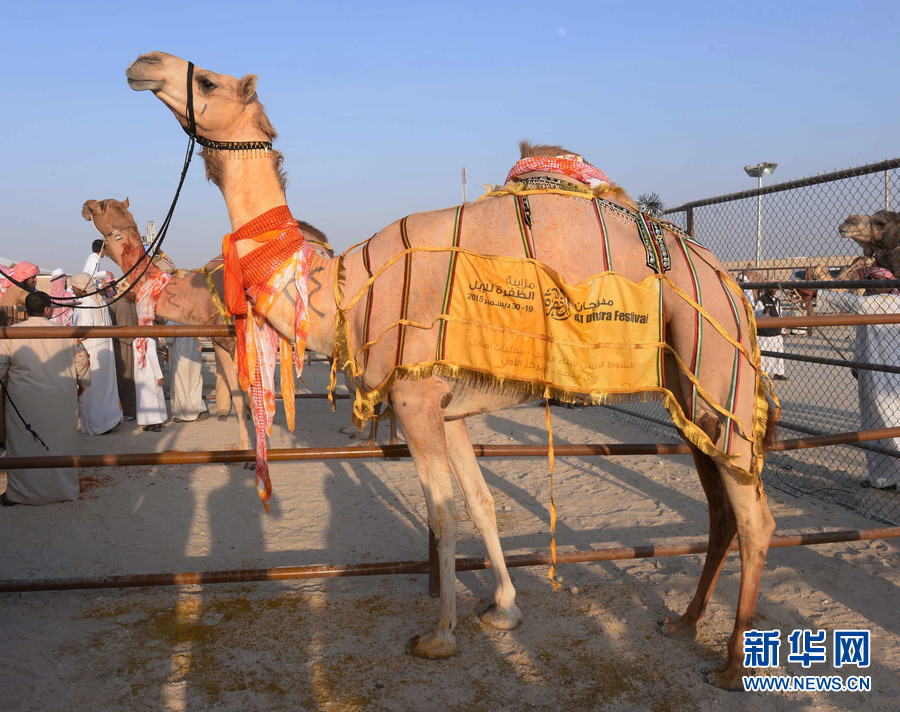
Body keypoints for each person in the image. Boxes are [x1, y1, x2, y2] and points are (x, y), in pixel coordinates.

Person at [0, 291, 91, 506]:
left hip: (23, 402)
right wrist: (83, 385)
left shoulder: (9, 334)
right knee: (59, 443)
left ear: (27, 310)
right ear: (48, 309)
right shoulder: (67, 332)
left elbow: (1, 367)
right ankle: (62, 491)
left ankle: (19, 494)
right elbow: (82, 360)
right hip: (61, 400)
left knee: (23, 445)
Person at [818, 266, 900, 490]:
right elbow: (863, 338)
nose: (867, 285)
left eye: (870, 280)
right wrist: (856, 363)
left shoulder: (884, 302)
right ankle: (882, 478)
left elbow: (854, 303)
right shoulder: (875, 304)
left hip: (885, 375)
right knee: (873, 423)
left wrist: (817, 293)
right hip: (870, 371)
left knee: (889, 420)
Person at [70, 272, 122, 435]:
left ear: (81, 288)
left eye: (74, 286)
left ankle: (96, 425)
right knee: (106, 387)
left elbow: (84, 329)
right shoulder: (100, 301)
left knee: (91, 389)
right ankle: (109, 420)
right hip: (105, 350)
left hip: (91, 351)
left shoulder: (85, 303)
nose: (71, 288)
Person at [106, 281, 138, 421]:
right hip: (122, 346)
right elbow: (111, 328)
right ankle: (124, 410)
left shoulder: (134, 304)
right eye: (132, 292)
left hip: (136, 345)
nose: (135, 295)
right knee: (124, 378)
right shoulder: (113, 304)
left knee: (136, 379)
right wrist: (129, 339)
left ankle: (133, 409)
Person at [165, 320, 209, 422]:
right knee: (194, 383)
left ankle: (184, 414)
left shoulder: (172, 319)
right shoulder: (193, 315)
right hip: (195, 354)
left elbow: (170, 340)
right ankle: (199, 409)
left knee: (181, 385)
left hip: (181, 356)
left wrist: (161, 338)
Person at [134, 321, 168, 432]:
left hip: (140, 374)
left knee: (145, 399)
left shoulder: (136, 341)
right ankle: (153, 423)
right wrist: (159, 375)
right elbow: (153, 359)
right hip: (151, 374)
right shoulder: (150, 341)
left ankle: (152, 422)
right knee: (154, 398)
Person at [754, 287, 787, 381]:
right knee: (763, 354)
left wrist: (783, 330)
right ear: (767, 289)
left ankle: (778, 373)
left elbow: (780, 315)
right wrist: (763, 312)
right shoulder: (761, 300)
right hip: (765, 334)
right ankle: (760, 372)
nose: (773, 290)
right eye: (771, 288)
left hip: (776, 332)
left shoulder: (777, 301)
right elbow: (755, 313)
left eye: (775, 288)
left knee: (778, 353)